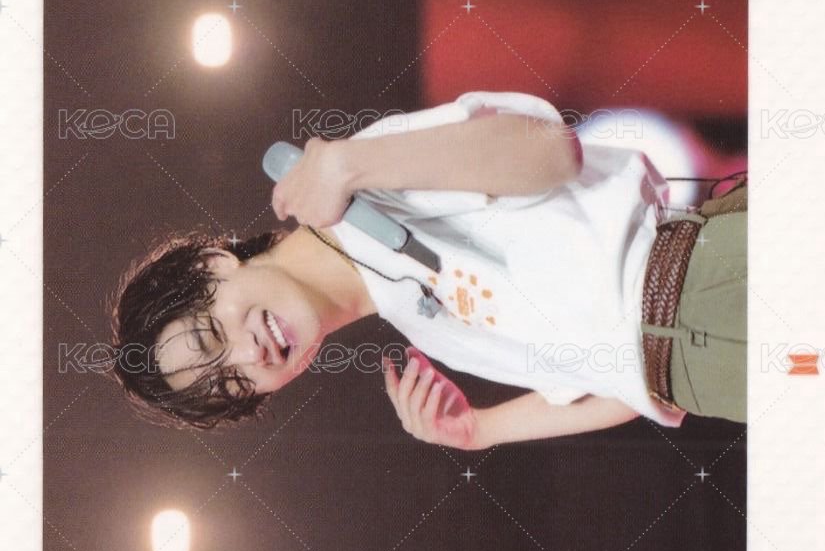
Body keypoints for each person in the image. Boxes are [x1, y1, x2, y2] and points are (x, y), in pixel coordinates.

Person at [110, 91, 746, 448]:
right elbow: (621, 388)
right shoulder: (423, 328)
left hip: (709, 280)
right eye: (234, 383)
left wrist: (350, 166)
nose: (248, 355)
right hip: (703, 376)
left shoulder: (368, 178)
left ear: (212, 263)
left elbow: (552, 152)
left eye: (210, 336)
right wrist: (481, 430)